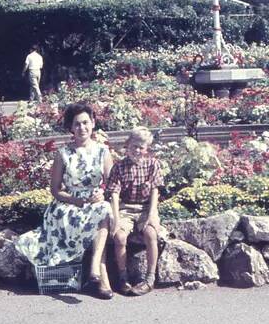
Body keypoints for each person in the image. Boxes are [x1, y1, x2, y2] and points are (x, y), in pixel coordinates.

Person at [16, 102, 115, 299]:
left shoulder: (103, 152)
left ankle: (96, 269)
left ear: (93, 123)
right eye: (77, 124)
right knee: (101, 213)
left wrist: (101, 193)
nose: (82, 128)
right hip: (68, 206)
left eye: (86, 123)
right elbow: (55, 190)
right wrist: (76, 200)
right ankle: (101, 278)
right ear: (71, 128)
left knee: (104, 209)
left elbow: (112, 183)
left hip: (94, 203)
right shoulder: (63, 154)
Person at [105, 126, 164, 296]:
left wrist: (152, 214)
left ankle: (150, 278)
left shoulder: (153, 164)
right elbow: (114, 195)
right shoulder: (119, 167)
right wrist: (116, 219)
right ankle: (123, 277)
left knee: (151, 233)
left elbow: (155, 190)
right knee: (119, 236)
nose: (137, 150)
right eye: (133, 146)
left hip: (145, 207)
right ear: (127, 145)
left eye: (141, 147)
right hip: (126, 207)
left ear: (146, 149)